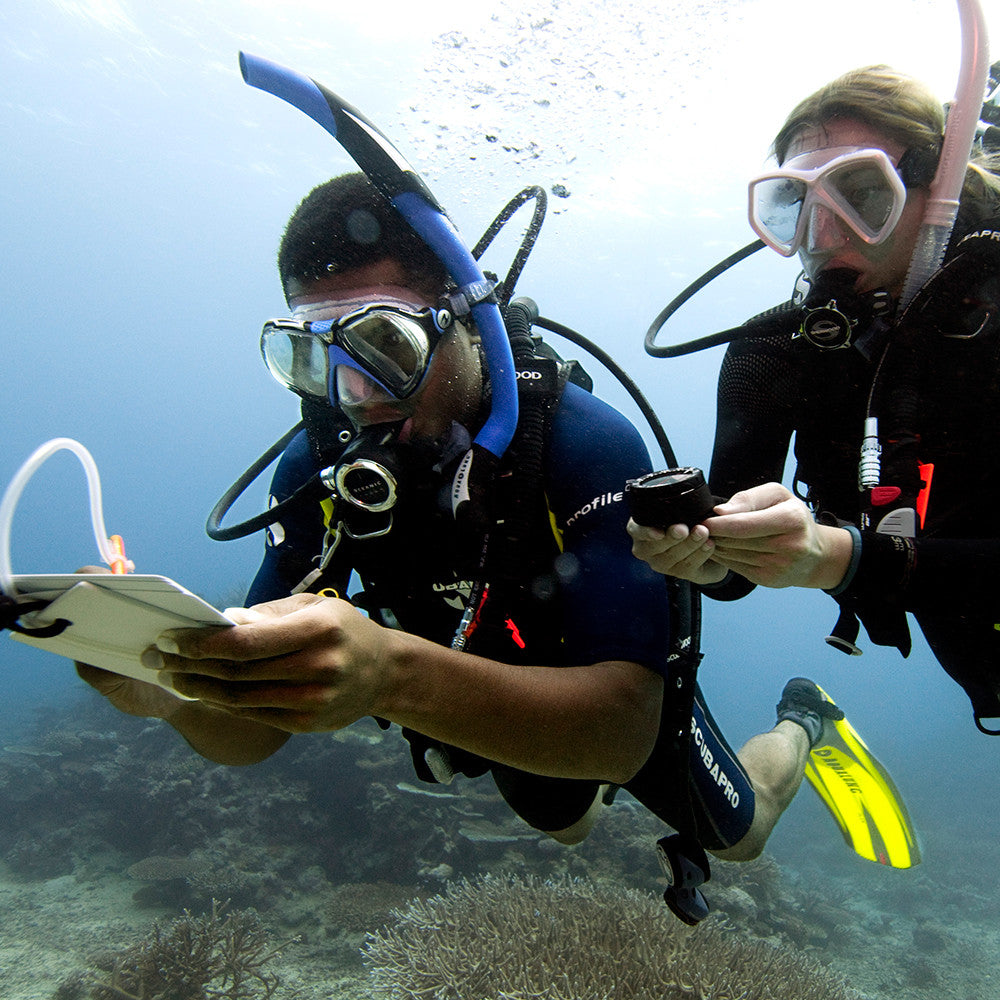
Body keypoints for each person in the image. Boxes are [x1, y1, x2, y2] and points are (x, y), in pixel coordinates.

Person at [76, 172, 824, 878]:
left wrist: (388, 673)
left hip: (595, 695)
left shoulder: (584, 444)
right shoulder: (319, 470)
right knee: (562, 822)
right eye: (315, 358)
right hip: (474, 700)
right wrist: (169, 689)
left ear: (468, 320)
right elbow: (255, 731)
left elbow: (624, 730)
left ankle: (802, 722)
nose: (357, 395)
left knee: (743, 838)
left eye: (385, 346)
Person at [630, 65, 1000, 732]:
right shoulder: (775, 350)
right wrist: (705, 553)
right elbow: (734, 574)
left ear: (938, 187)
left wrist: (835, 557)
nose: (822, 237)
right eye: (798, 205)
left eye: (861, 193)